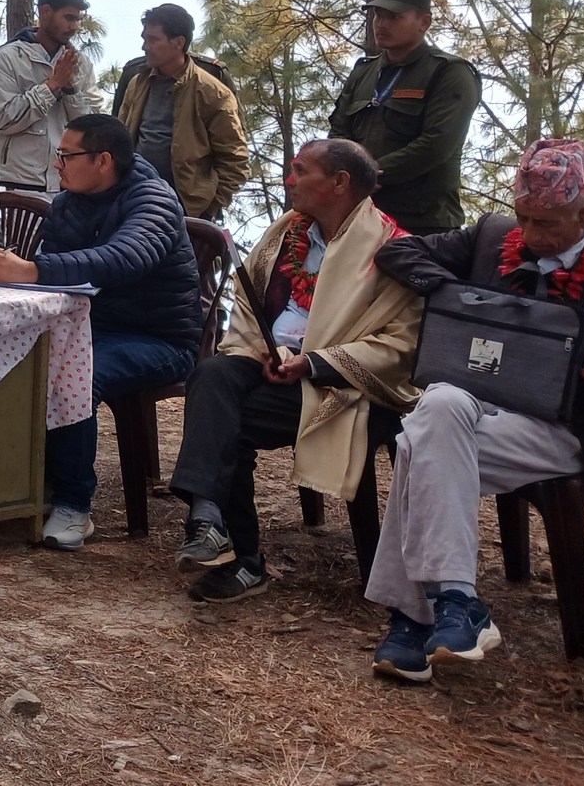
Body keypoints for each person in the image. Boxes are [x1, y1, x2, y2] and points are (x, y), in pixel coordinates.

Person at [362, 138, 584, 682]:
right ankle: (457, 601)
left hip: (565, 430)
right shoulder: (492, 237)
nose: (531, 235)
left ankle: (413, 619)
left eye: (547, 223)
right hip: (476, 401)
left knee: (419, 444)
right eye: (524, 218)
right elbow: (398, 252)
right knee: (437, 404)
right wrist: (457, 295)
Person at [167, 140, 420, 601]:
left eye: (302, 170)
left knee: (227, 423)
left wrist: (314, 362)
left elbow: (400, 345)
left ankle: (238, 554)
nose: (290, 180)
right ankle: (208, 517)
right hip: (268, 360)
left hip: (340, 382)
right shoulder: (288, 230)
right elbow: (248, 300)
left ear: (339, 182)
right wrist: (259, 350)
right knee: (212, 375)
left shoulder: (391, 247)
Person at [0, 114, 201, 550]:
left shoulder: (153, 200)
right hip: (85, 327)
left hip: (157, 338)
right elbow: (56, 279)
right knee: (10, 353)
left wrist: (33, 270)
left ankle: (73, 504)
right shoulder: (67, 203)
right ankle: (22, 482)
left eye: (66, 155)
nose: (56, 163)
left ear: (103, 160)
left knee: (77, 373)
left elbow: (123, 259)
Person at [327, 0, 481, 235]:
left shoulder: (449, 72)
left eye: (394, 17)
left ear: (424, 22)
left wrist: (369, 175)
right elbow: (338, 133)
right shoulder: (364, 71)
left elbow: (437, 144)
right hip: (359, 217)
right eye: (378, 15)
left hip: (422, 223)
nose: (382, 24)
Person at [116, 3, 249, 219]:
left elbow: (234, 160)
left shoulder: (212, 93)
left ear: (178, 43)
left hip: (185, 212)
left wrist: (207, 210)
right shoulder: (137, 82)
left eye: (153, 40)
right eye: (144, 39)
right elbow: (120, 139)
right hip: (133, 201)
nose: (145, 47)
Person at [0, 0, 106, 193]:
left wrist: (70, 91)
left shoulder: (80, 63)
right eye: (68, 18)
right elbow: (4, 119)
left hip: (66, 184)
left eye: (77, 20)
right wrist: (51, 87)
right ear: (45, 12)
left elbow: (94, 130)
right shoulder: (8, 58)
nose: (74, 27)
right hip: (17, 182)